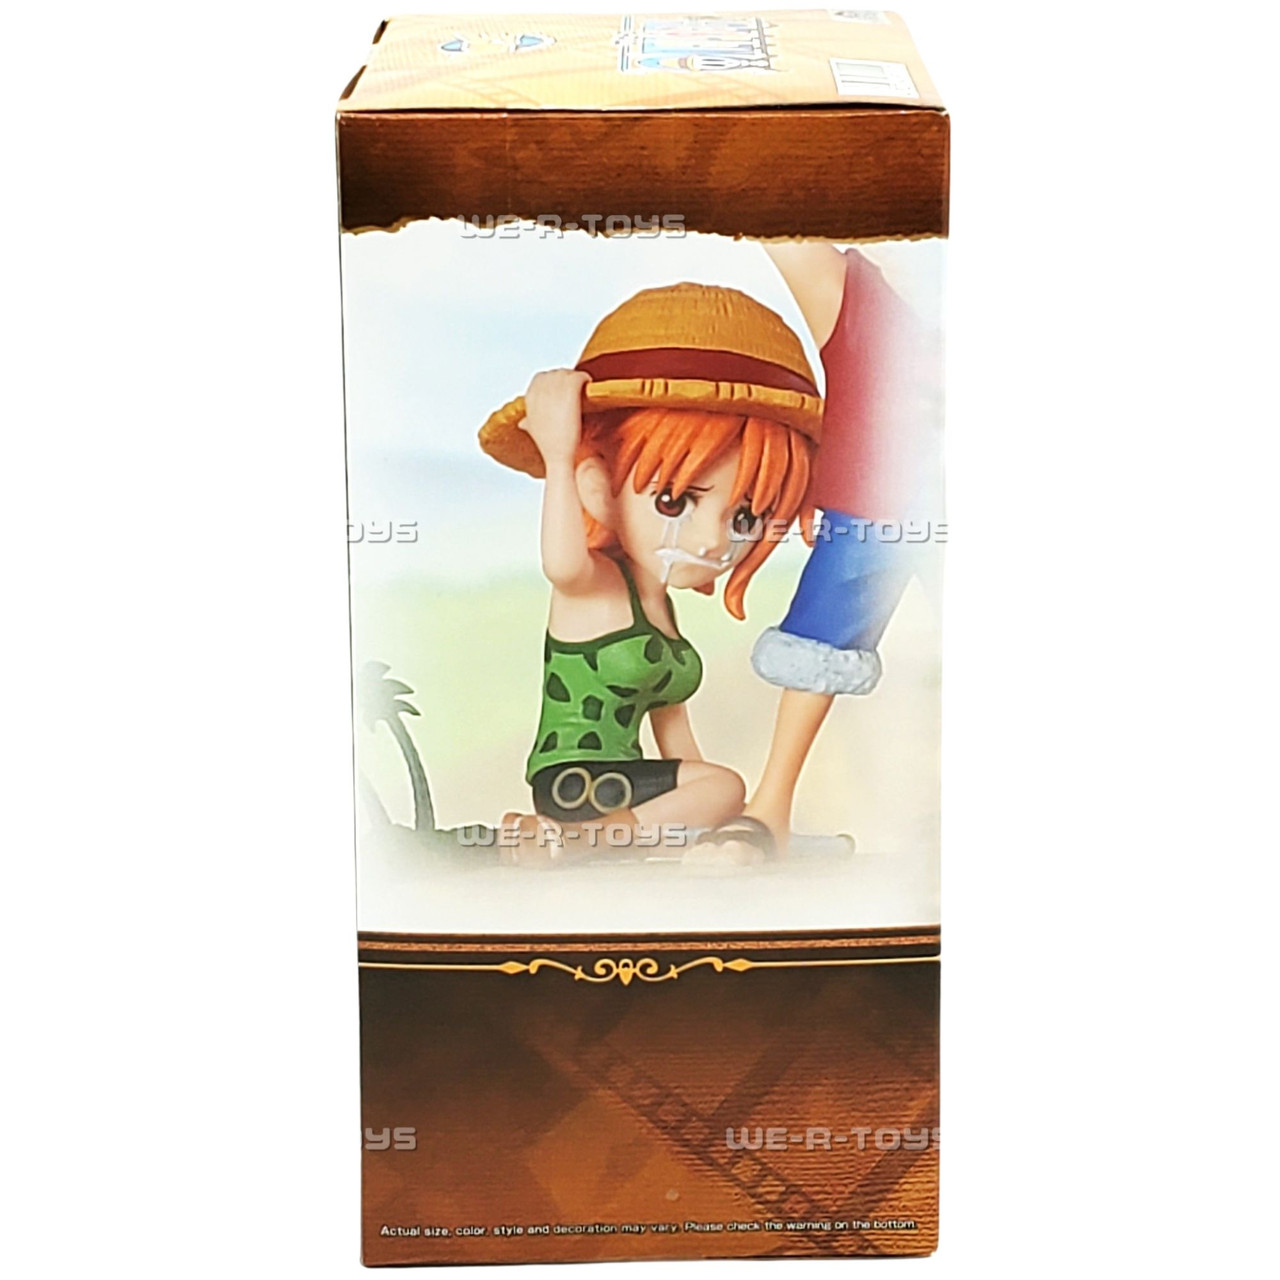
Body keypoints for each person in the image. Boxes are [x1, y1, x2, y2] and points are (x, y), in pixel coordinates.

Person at [477, 282, 822, 866]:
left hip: (624, 783)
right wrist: (558, 456)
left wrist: (706, 810)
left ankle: (578, 839)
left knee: (721, 788)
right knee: (726, 787)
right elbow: (559, 563)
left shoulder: (657, 604)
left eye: (744, 517)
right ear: (598, 488)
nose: (714, 540)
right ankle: (581, 841)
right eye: (675, 500)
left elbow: (672, 731)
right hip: (575, 780)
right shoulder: (595, 584)